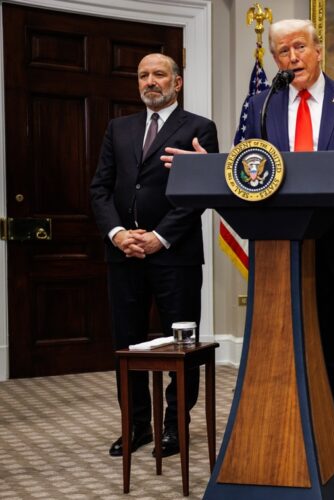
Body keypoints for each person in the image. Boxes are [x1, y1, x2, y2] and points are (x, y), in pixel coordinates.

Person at [163, 19, 334, 438]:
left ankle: (332, 438)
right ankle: (286, 432)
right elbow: (245, 167)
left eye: (300, 47)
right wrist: (204, 167)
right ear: (275, 59)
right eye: (283, 52)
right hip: (279, 246)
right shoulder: (260, 104)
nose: (292, 58)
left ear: (318, 49)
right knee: (282, 347)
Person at [90, 53, 219, 458]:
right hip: (124, 255)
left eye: (159, 74)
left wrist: (159, 237)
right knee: (126, 345)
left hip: (174, 256)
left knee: (182, 346)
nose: (150, 81)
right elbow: (100, 189)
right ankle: (136, 427)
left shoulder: (199, 128)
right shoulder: (119, 128)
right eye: (143, 75)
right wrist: (117, 234)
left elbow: (200, 194)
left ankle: (174, 428)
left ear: (176, 82)